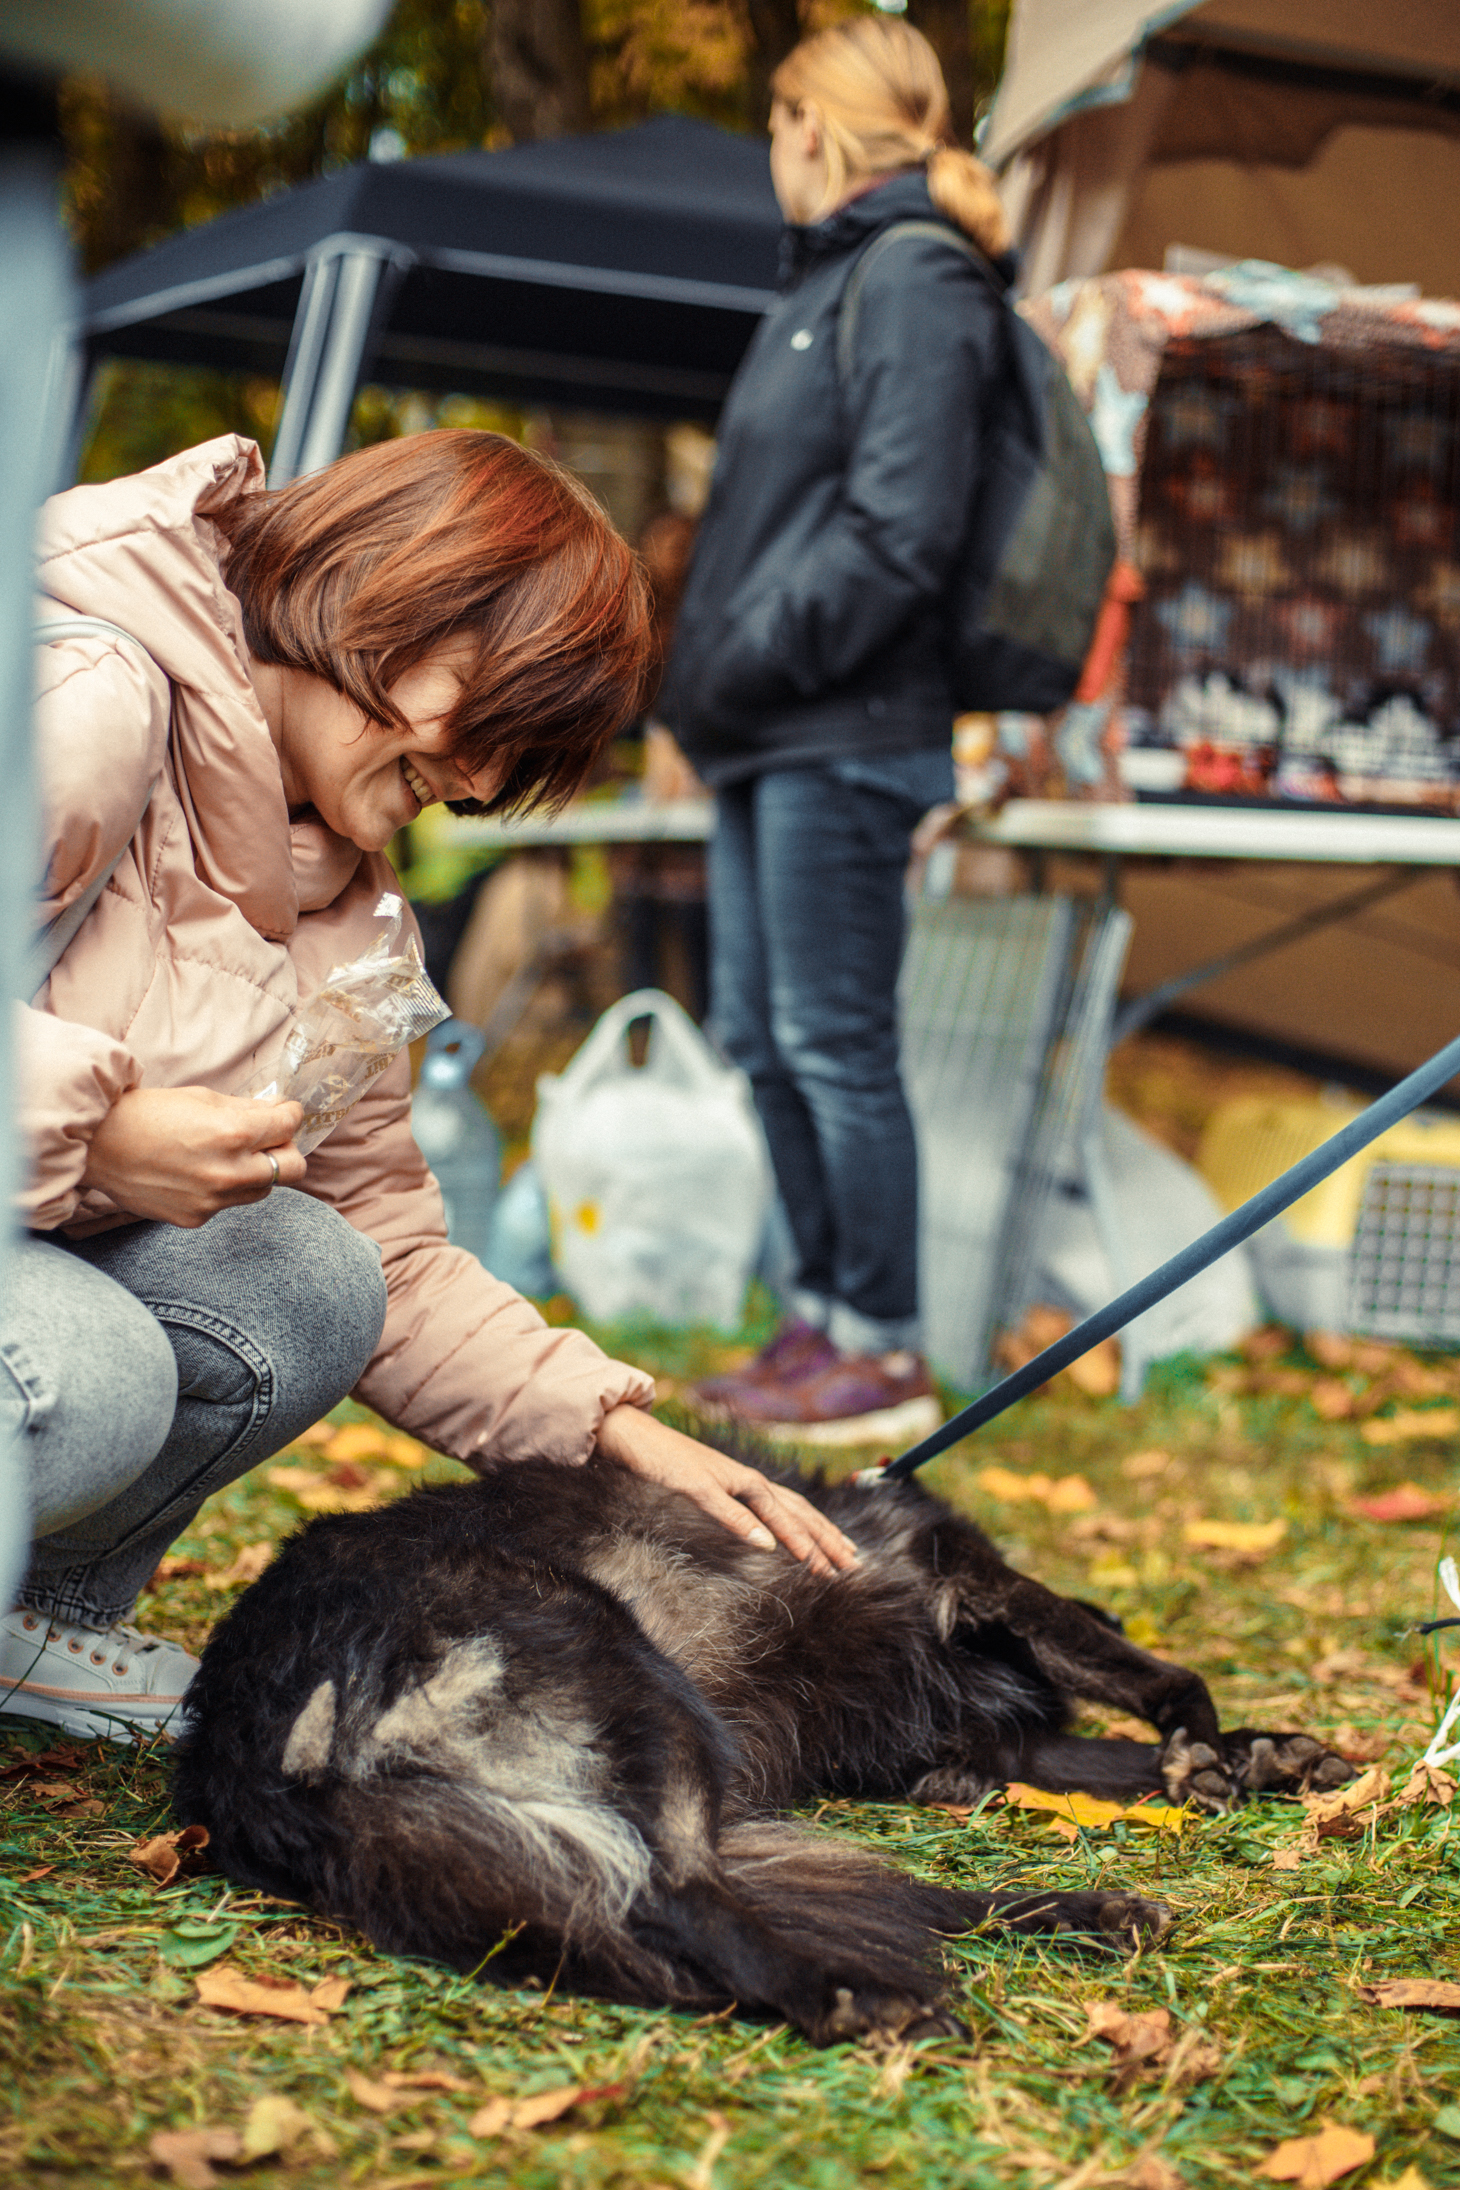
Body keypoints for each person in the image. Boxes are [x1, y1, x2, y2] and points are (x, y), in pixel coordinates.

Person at [4, 428, 856, 1742]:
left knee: (313, 1275)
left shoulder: (358, 916)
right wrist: (96, 1136)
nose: (479, 781)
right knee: (97, 1370)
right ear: (383, 596)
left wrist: (618, 1431)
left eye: (522, 755)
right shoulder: (86, 700)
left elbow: (389, 1253)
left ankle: (34, 1618)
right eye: (490, 719)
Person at [659, 17, 1014, 1440]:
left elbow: (900, 534)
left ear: (810, 125)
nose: (770, 152)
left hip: (843, 727)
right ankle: (816, 1318)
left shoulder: (915, 274)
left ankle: (882, 1344)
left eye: (772, 126)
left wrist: (736, 665)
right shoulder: (825, 280)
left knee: (832, 1039)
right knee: (763, 1034)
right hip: (769, 728)